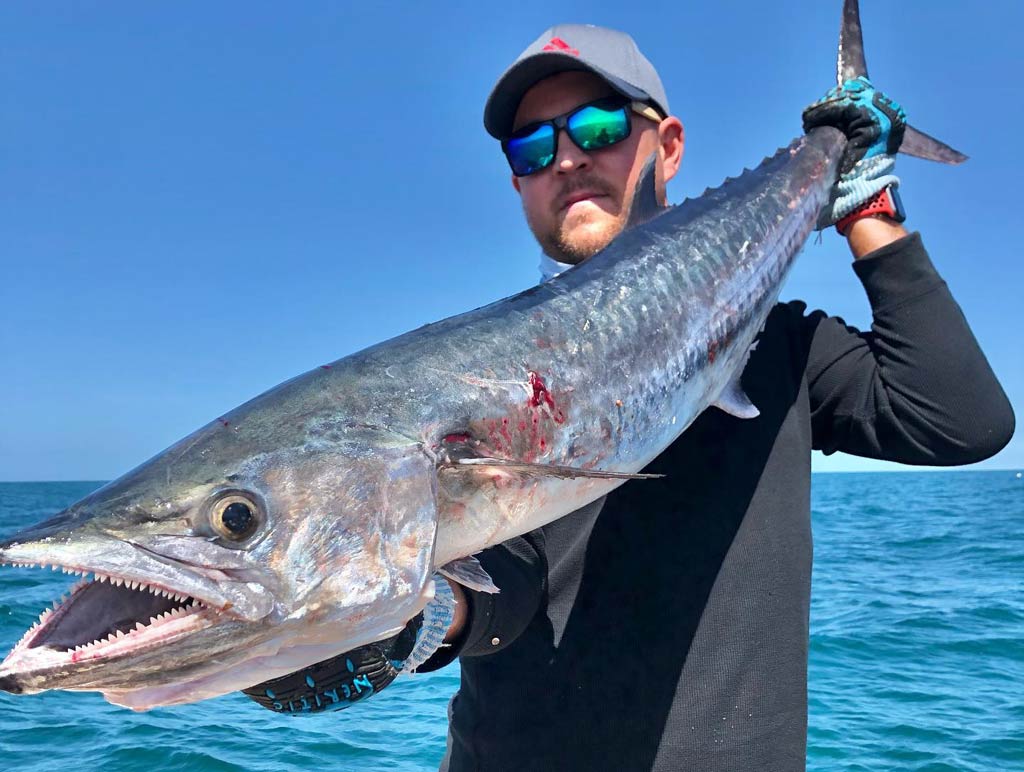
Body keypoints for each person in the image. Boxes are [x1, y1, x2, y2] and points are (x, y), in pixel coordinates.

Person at [246, 23, 1014, 772]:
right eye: (534, 146)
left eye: (600, 126)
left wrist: (865, 208)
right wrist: (418, 622)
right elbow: (503, 585)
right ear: (518, 181)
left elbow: (958, 421)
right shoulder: (488, 374)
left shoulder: (779, 346)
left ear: (668, 146)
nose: (569, 158)